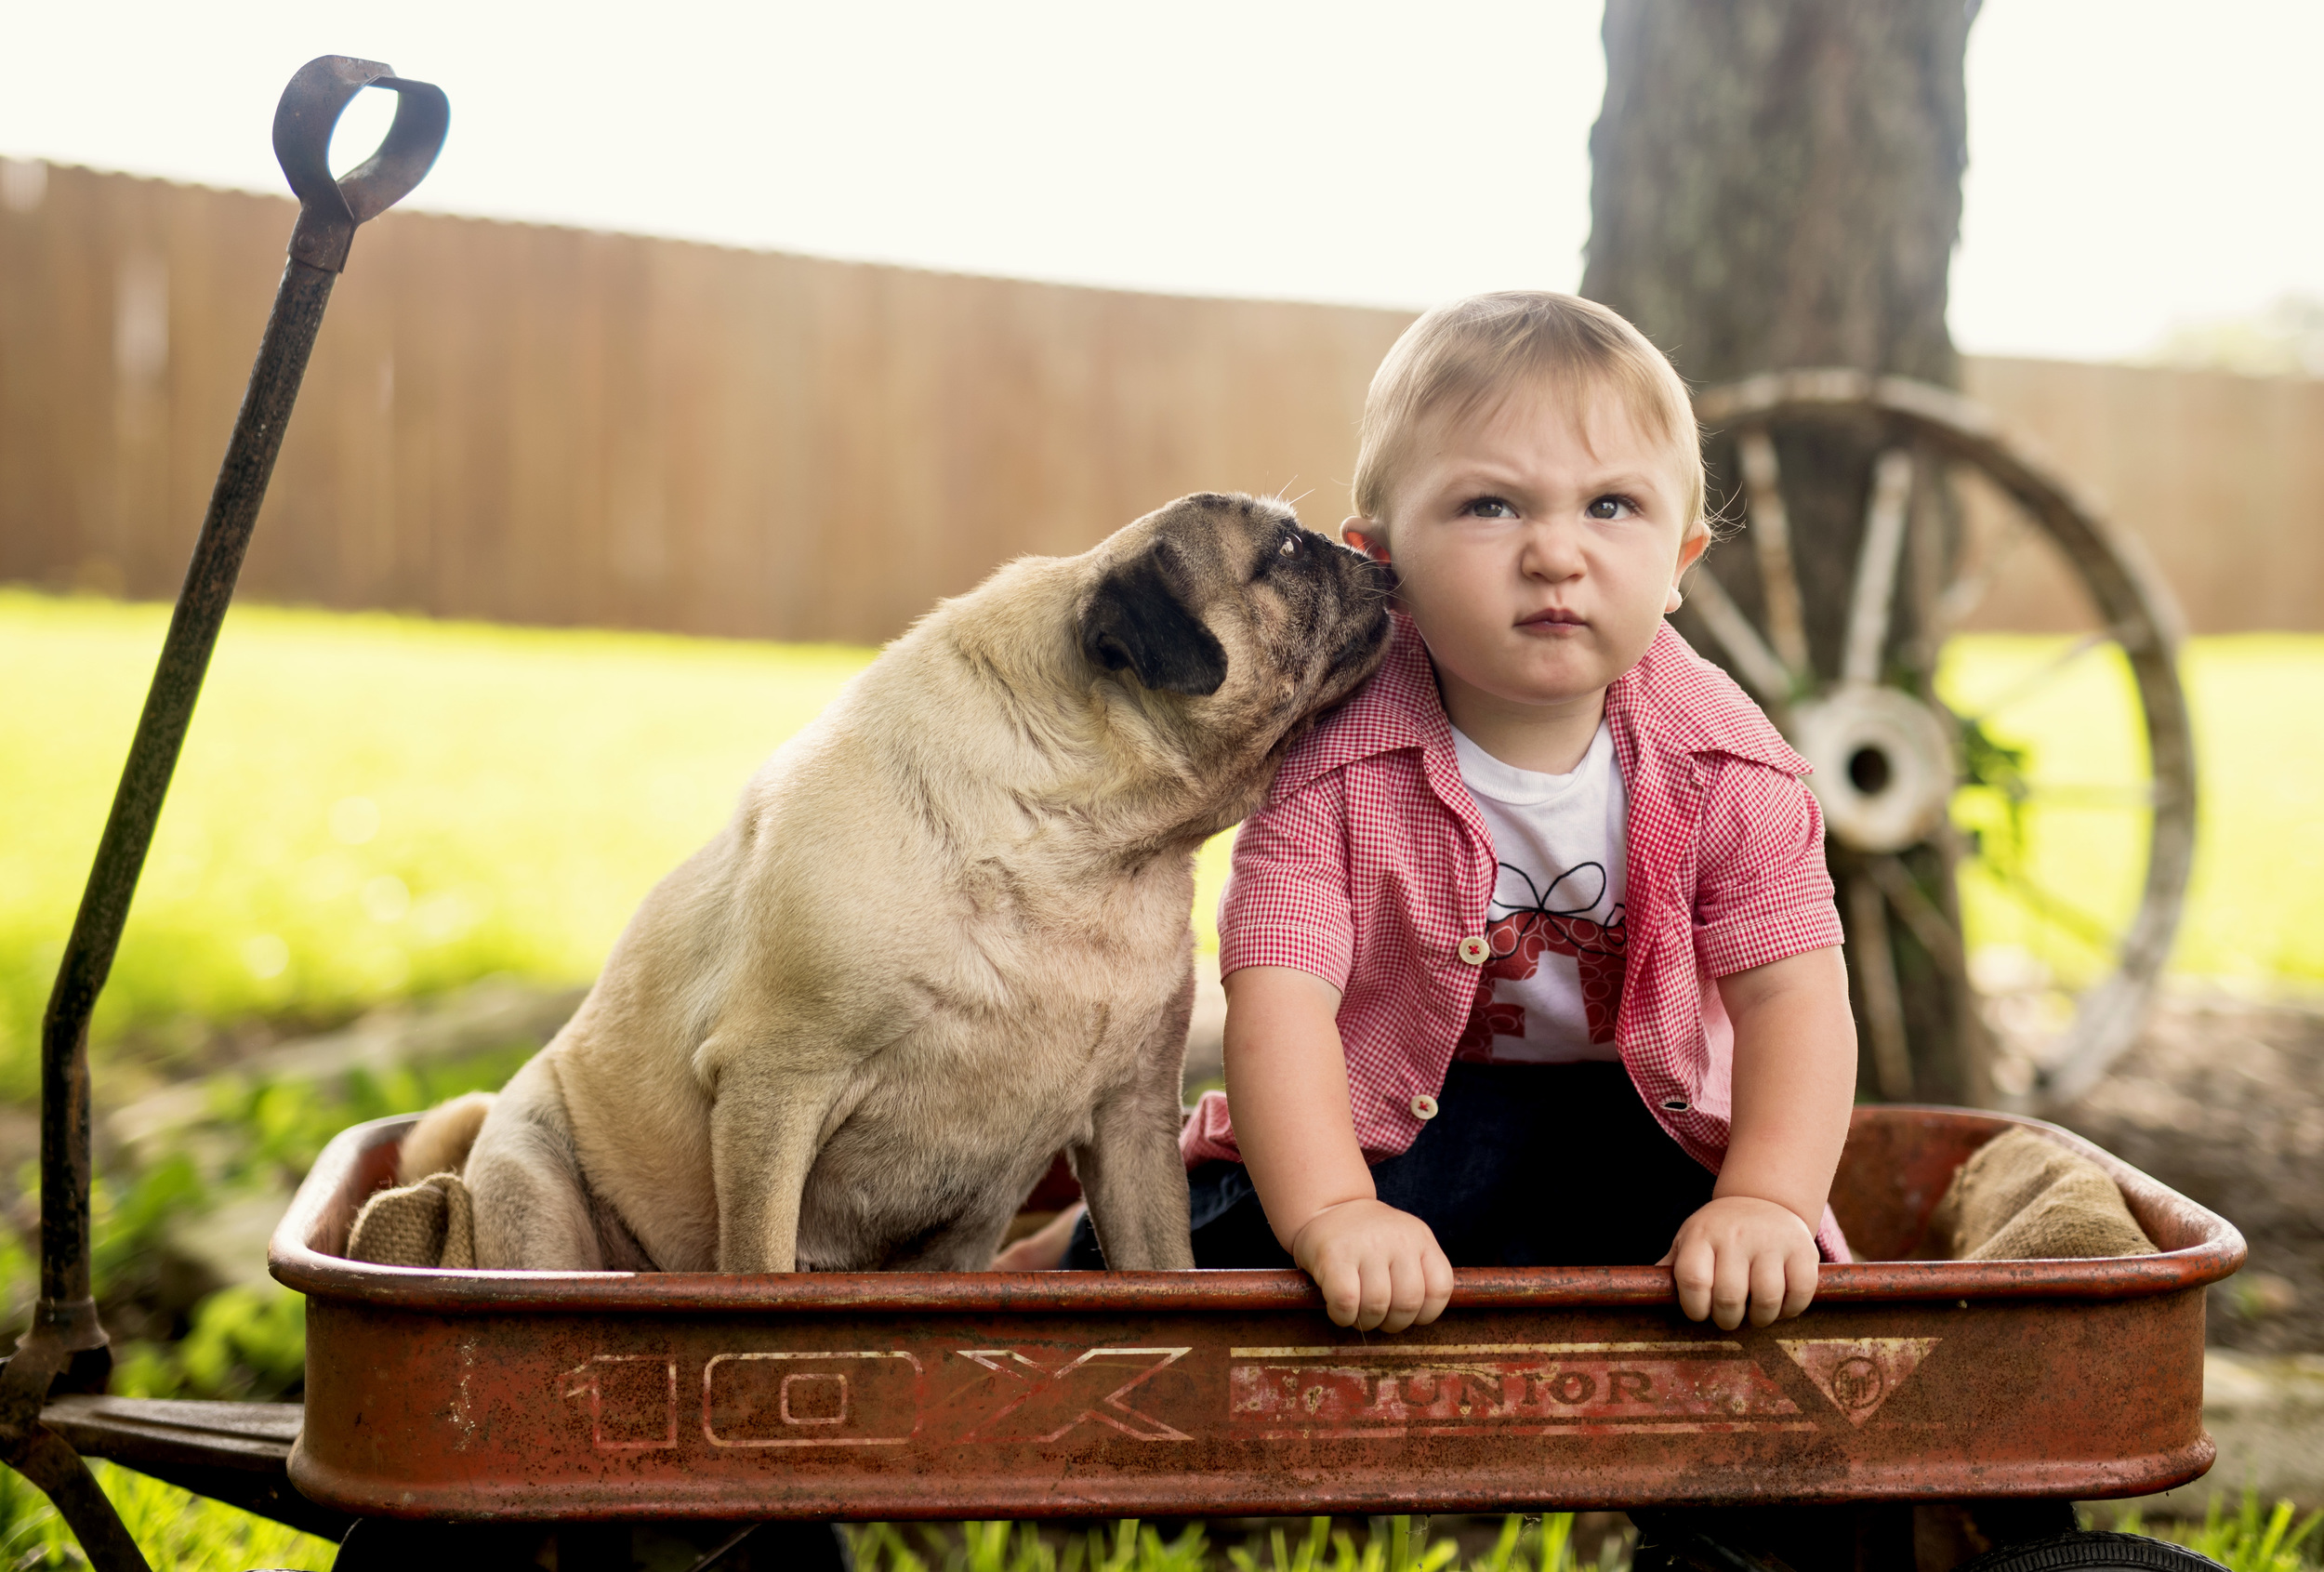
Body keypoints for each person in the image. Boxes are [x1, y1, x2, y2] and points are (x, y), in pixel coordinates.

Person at [1010, 291, 1857, 1336]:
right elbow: (1281, 1000)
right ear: (1382, 565)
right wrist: (1332, 1210)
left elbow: (1793, 1003)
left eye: (1611, 507)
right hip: (1388, 1112)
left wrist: (1765, 1197)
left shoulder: (1729, 765)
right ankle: (1068, 1251)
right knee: (1203, 1254)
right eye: (1490, 506)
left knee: (1744, 1282)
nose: (1556, 552)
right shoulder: (1329, 762)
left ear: (1679, 565)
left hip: (1645, 1120)